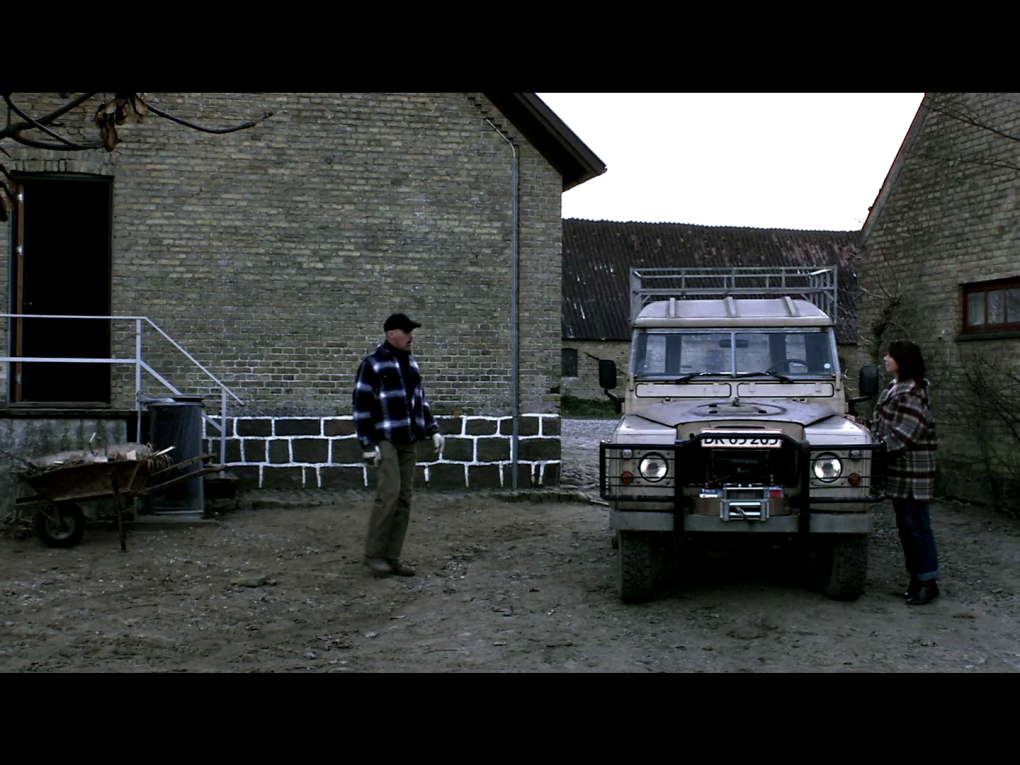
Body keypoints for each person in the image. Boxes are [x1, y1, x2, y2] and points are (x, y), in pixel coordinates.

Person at [353, 313, 444, 577]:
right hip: (385, 438)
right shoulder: (373, 364)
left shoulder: (411, 363)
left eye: (411, 331)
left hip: (409, 439)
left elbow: (420, 401)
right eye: (406, 331)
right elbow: (361, 406)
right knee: (389, 495)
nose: (411, 336)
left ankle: (392, 557)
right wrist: (367, 444)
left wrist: (433, 429)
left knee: (404, 499)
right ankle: (374, 555)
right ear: (391, 333)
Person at [872, 340, 940, 605]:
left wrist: (873, 448)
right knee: (905, 528)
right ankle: (917, 578)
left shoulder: (912, 394)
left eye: (890, 356)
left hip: (913, 475)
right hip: (900, 473)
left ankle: (927, 581)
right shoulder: (895, 388)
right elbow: (884, 427)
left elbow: (902, 437)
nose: (885, 359)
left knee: (917, 528)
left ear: (903, 360)